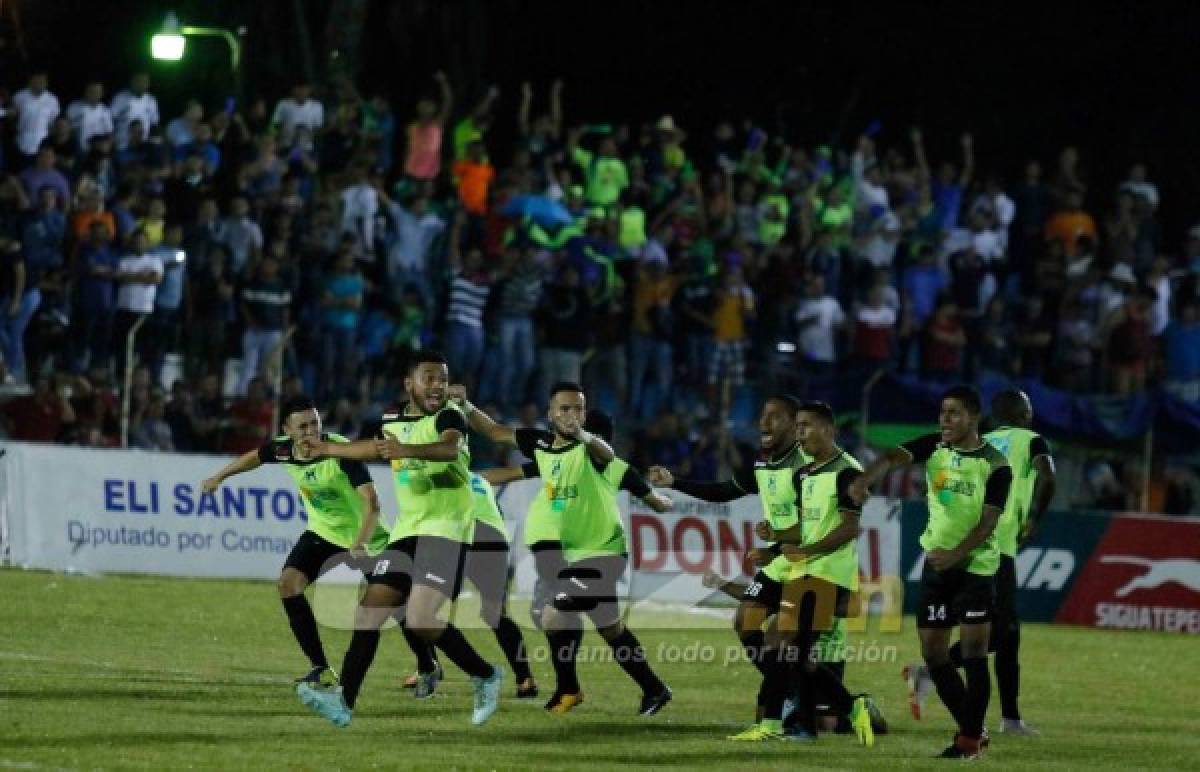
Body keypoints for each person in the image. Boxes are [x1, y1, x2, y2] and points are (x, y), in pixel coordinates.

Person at [294, 351, 504, 728]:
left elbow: (450, 447)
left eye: (442, 378)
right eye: (429, 378)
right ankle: (344, 702)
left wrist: (406, 451)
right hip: (408, 532)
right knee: (369, 612)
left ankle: (486, 675)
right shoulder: (392, 418)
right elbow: (374, 448)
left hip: (447, 531)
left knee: (422, 619)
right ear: (410, 384)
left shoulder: (449, 416)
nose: (438, 385)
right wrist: (329, 449)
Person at [648, 398, 874, 744]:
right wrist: (674, 482)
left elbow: (824, 525)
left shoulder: (812, 466)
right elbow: (724, 491)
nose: (764, 424)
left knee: (787, 645)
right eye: (762, 416)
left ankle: (794, 709)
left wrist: (782, 545)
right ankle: (796, 697)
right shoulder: (765, 465)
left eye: (775, 418)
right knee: (747, 623)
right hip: (783, 560)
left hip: (811, 563)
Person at [457, 386, 674, 716]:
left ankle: (568, 689)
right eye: (564, 409)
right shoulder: (542, 445)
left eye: (578, 409)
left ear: (585, 415)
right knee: (609, 627)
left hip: (604, 553)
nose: (571, 415)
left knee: (554, 614)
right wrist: (465, 404)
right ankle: (655, 689)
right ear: (551, 414)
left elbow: (613, 460)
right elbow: (494, 431)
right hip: (574, 556)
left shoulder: (597, 454)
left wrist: (658, 500)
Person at [848, 385, 1012, 759]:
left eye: (953, 413)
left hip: (976, 567)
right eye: (942, 413)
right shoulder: (935, 447)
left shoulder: (996, 465)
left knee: (973, 654)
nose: (945, 420)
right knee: (934, 652)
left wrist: (956, 554)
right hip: (939, 565)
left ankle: (968, 741)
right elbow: (892, 457)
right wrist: (864, 479)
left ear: (973, 417)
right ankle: (974, 729)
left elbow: (987, 524)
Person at [200, 396, 391, 685]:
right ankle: (320, 667)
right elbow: (256, 456)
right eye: (303, 426)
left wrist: (361, 542)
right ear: (287, 430)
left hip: (367, 538)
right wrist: (219, 477)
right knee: (288, 584)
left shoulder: (339, 452)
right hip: (324, 533)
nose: (311, 431)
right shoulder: (284, 450)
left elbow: (372, 503)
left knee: (396, 602)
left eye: (315, 423)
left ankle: (427, 665)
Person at [907, 388, 1056, 735]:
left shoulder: (979, 441)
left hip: (966, 536)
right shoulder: (1030, 439)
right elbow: (1048, 476)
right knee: (1000, 630)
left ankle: (1010, 718)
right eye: (1029, 407)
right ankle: (932, 675)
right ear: (1021, 413)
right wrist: (1035, 518)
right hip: (995, 543)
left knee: (1008, 632)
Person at [400, 471, 539, 700]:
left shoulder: (437, 474)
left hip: (457, 533)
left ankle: (427, 667)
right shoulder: (479, 479)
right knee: (494, 612)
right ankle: (525, 679)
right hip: (493, 536)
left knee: (416, 606)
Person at [700, 571, 889, 738]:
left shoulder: (819, 572)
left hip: (826, 652)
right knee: (765, 713)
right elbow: (758, 596)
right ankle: (786, 700)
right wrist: (721, 583)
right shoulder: (784, 572)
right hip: (790, 651)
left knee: (826, 724)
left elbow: (851, 607)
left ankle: (857, 706)